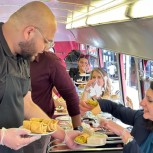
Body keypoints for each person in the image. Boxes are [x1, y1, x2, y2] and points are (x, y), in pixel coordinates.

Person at [0, 1, 81, 153]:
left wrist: (64, 136)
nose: (45, 49)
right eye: (46, 41)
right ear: (29, 32)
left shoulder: (22, 56)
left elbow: (27, 104)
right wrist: (2, 136)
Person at [24, 51, 82, 153]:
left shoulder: (50, 61)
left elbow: (71, 95)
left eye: (48, 41)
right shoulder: (9, 60)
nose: (45, 45)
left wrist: (78, 131)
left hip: (38, 129)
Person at [79, 81, 153, 153]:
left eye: (149, 100)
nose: (141, 103)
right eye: (145, 97)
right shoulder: (141, 117)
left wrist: (125, 134)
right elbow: (115, 108)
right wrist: (95, 104)